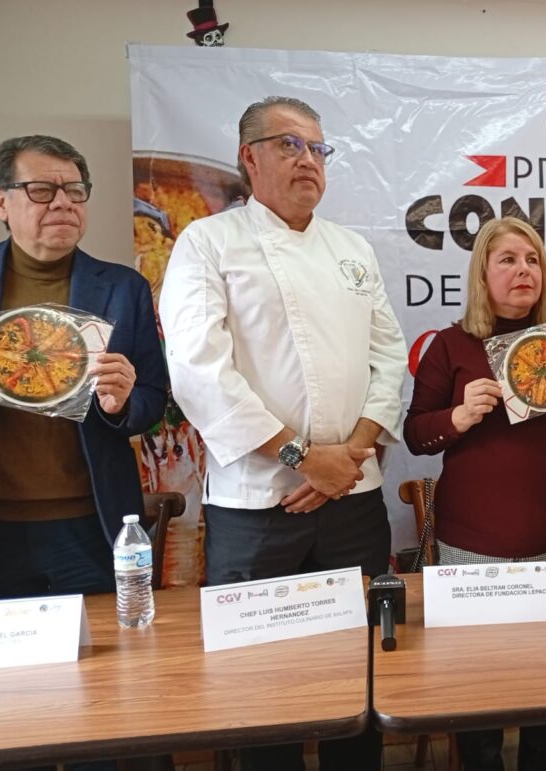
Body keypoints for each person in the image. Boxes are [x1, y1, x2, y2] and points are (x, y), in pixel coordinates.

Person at [159, 96, 407, 771]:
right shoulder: (207, 243)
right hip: (256, 509)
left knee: (358, 675)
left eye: (318, 149)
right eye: (290, 145)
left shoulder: (351, 248)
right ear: (250, 157)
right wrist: (302, 457)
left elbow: (389, 358)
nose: (308, 160)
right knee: (262, 687)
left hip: (353, 499)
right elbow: (199, 370)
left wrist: (346, 457)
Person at [403, 216, 546, 770]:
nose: (524, 271)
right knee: (479, 686)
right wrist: (457, 416)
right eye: (509, 260)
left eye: (534, 260)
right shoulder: (450, 346)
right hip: (472, 544)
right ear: (482, 274)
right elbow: (416, 434)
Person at [0, 135, 167, 600]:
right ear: (1, 201)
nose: (63, 202)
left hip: (93, 519)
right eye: (42, 190)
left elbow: (153, 400)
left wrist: (122, 402)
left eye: (75, 190)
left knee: (106, 645)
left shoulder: (123, 288)